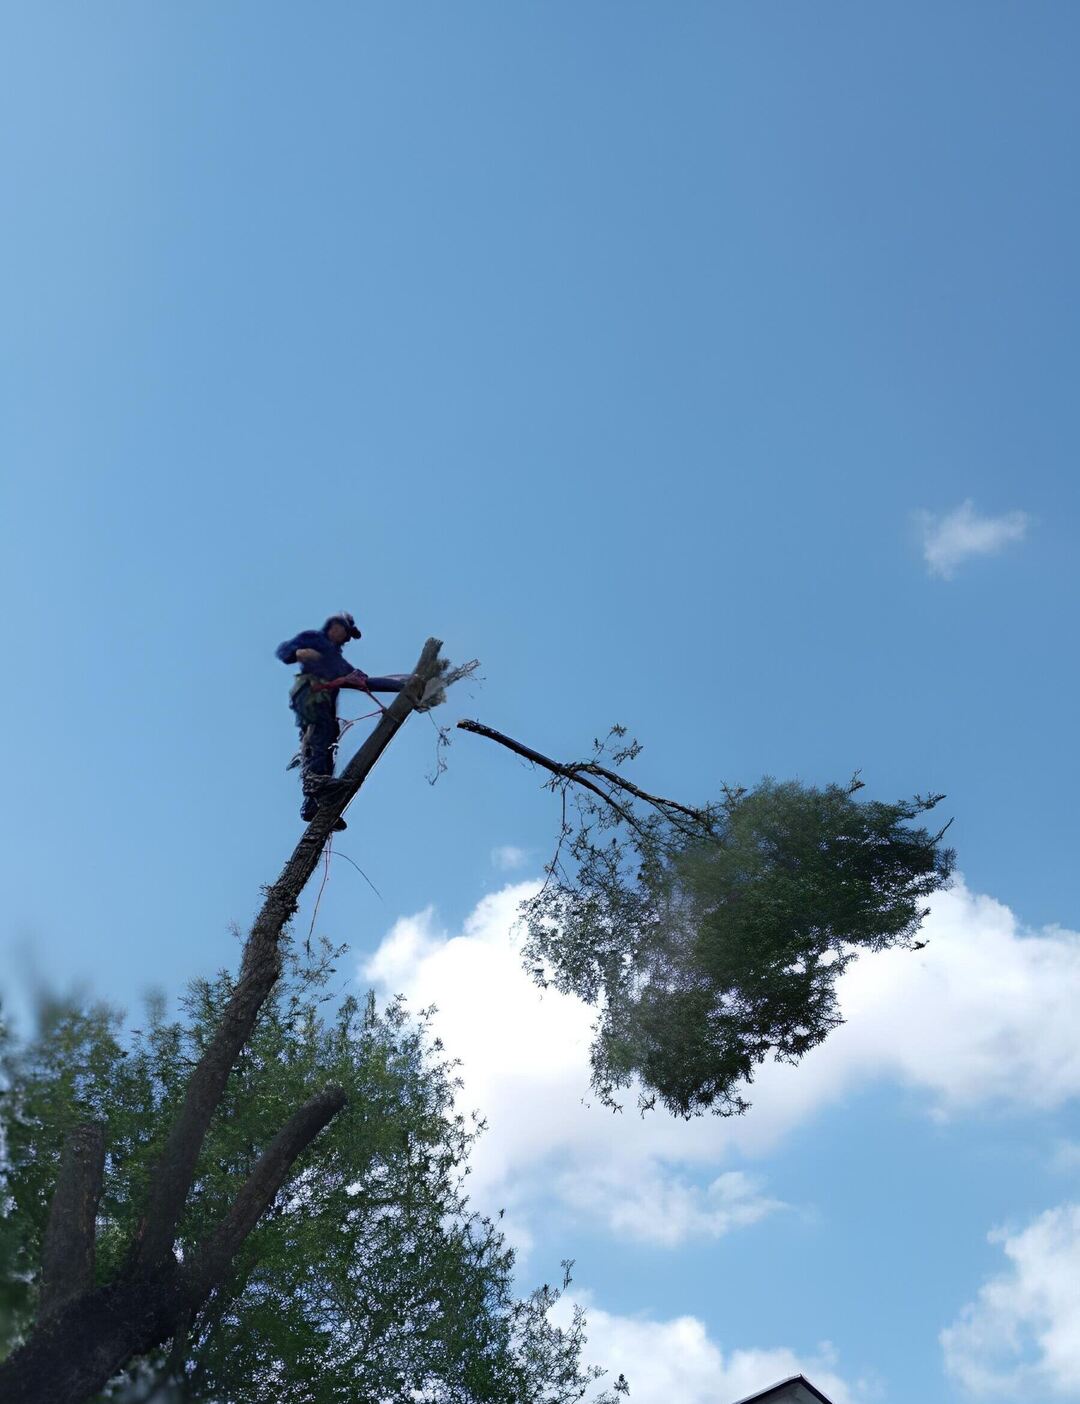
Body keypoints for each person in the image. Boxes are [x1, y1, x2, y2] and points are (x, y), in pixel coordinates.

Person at [276, 612, 408, 825]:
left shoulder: (338, 663)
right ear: (335, 626)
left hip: (325, 706)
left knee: (327, 747)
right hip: (310, 697)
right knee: (318, 741)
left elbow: (366, 682)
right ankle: (314, 785)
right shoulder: (314, 640)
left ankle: (314, 807)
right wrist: (299, 653)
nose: (347, 639)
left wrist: (403, 685)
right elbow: (284, 652)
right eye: (346, 633)